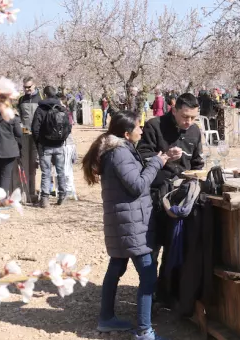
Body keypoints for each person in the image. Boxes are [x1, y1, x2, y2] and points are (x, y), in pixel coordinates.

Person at [82, 110, 173, 340]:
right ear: (126, 132)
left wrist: (160, 159)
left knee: (116, 268)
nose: (141, 130)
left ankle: (106, 318)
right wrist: (156, 163)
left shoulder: (118, 150)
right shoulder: (120, 153)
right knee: (148, 274)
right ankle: (144, 330)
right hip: (130, 224)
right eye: (138, 127)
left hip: (122, 221)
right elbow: (137, 185)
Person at [137, 93, 204, 305]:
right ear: (174, 110)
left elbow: (197, 163)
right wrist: (164, 155)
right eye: (185, 116)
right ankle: (149, 295)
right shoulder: (153, 125)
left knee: (175, 245)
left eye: (193, 118)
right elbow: (141, 155)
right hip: (156, 195)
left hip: (182, 198)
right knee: (154, 246)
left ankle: (168, 293)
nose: (189, 122)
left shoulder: (194, 131)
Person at [31, 86, 72, 208]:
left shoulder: (40, 108)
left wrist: (38, 142)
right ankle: (62, 196)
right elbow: (68, 127)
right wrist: (62, 138)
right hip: (59, 145)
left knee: (46, 172)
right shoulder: (61, 108)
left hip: (45, 146)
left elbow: (35, 128)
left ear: (44, 95)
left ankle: (44, 199)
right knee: (61, 171)